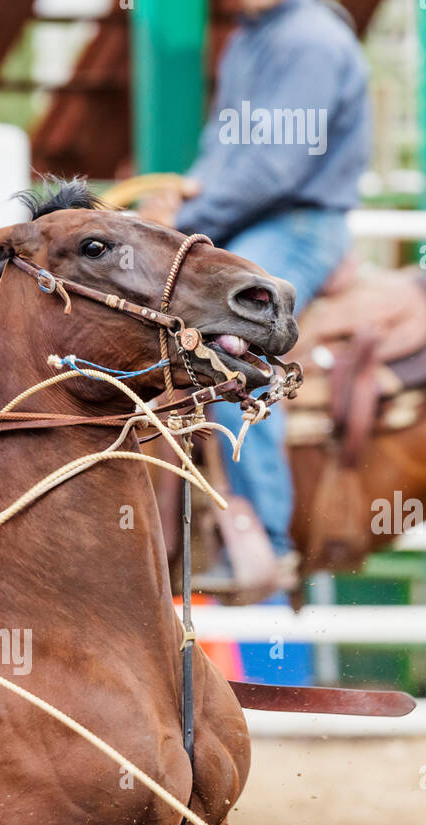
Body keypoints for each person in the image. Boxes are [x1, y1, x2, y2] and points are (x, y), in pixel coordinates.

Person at [140, 0, 371, 587]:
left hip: (299, 221)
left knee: (234, 341)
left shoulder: (310, 40)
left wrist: (190, 217)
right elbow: (222, 148)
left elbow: (276, 168)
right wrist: (185, 198)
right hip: (251, 217)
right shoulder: (249, 38)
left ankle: (264, 538)